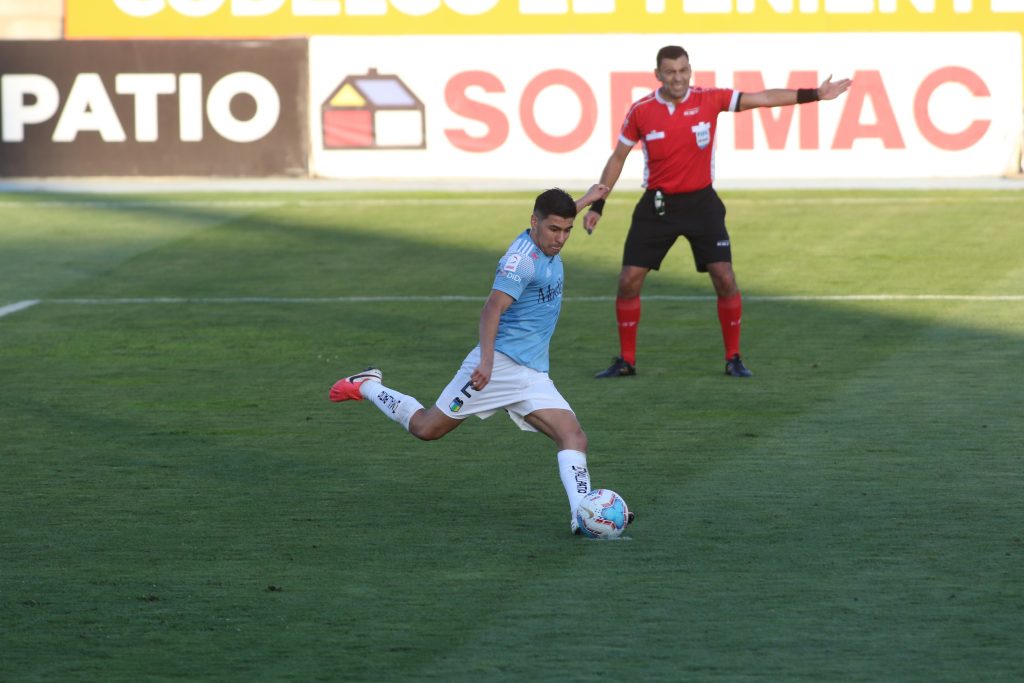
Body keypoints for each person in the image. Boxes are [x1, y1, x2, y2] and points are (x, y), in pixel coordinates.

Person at [328, 186, 632, 536]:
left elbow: (560, 219)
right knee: (426, 429)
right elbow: (492, 309)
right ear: (534, 223)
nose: (560, 239)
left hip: (531, 373)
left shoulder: (547, 236)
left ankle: (582, 515)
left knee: (573, 437)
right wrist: (486, 361)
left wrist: (587, 199)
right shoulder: (521, 263)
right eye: (554, 230)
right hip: (499, 366)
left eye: (567, 230)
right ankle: (368, 385)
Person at [586, 45, 852, 379]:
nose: (677, 77)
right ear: (658, 75)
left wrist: (814, 94)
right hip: (657, 205)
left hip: (701, 204)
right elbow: (618, 157)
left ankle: (734, 358)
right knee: (628, 281)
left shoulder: (710, 99)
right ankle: (626, 360)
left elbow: (763, 99)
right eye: (670, 71)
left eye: (683, 70)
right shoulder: (641, 111)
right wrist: (599, 203)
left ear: (690, 71)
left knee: (725, 277)